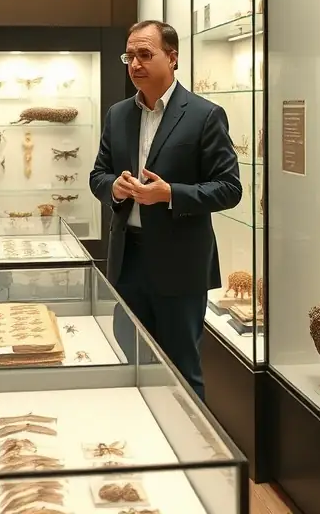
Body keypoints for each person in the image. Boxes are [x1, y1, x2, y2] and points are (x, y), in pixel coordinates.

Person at [89, 20, 241, 400]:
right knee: (130, 363)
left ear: (172, 58)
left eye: (145, 54)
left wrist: (169, 193)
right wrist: (116, 189)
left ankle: (191, 455)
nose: (135, 64)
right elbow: (98, 175)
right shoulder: (118, 114)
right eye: (130, 56)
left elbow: (229, 188)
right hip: (128, 261)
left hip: (180, 266)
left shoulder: (204, 115)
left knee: (180, 371)